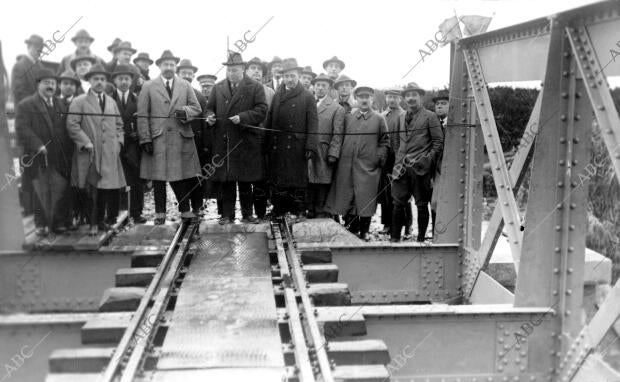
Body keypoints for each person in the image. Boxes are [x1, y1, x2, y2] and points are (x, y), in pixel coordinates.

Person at [138, 50, 203, 224]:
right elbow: (142, 114)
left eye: (172, 65)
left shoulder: (185, 85)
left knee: (180, 175)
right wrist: (145, 138)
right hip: (157, 138)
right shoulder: (148, 86)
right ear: (159, 66)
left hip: (180, 138)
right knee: (158, 177)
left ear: (175, 67)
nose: (169, 67)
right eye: (165, 64)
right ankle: (160, 213)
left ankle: (185, 210)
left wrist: (185, 112)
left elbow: (197, 108)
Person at [205, 52, 268, 224]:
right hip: (224, 142)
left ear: (243, 69)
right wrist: (209, 117)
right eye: (229, 70)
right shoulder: (218, 88)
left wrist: (244, 117)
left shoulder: (255, 87)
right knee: (227, 181)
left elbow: (262, 110)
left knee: (245, 180)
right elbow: (209, 109)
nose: (232, 73)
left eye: (236, 70)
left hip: (245, 141)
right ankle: (227, 214)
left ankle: (247, 214)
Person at [67, 64, 126, 235]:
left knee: (105, 190)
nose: (99, 82)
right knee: (90, 189)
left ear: (105, 81)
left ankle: (100, 221)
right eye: (95, 79)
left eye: (102, 79)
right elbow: (72, 125)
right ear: (89, 81)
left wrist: (118, 143)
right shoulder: (79, 102)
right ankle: (92, 223)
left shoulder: (111, 102)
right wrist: (85, 142)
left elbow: (119, 125)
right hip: (89, 154)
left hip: (109, 154)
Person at [325, 86, 388, 241]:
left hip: (368, 167)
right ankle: (352, 228)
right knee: (349, 196)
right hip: (347, 165)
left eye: (367, 97)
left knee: (365, 198)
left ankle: (365, 230)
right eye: (361, 97)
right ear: (357, 99)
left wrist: (377, 158)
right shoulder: (349, 117)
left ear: (372, 99)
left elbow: (384, 141)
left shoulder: (379, 119)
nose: (364, 100)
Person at [15, 69, 73, 236]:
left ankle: (58, 223)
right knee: (40, 189)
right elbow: (22, 129)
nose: (50, 86)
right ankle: (40, 224)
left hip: (59, 155)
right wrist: (38, 145)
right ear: (38, 84)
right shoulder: (26, 105)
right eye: (46, 83)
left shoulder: (60, 104)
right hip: (37, 155)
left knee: (59, 188)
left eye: (53, 83)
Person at [265, 58, 318, 221]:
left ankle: (298, 210)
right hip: (279, 144)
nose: (289, 79)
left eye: (293, 76)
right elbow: (271, 117)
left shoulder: (307, 96)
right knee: (280, 178)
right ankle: (279, 208)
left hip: (297, 145)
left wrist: (310, 146)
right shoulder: (278, 94)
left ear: (299, 76)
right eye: (287, 76)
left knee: (297, 179)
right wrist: (267, 141)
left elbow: (313, 123)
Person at [390, 82, 443, 242]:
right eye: (407, 95)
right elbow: (396, 142)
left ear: (420, 97)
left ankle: (420, 239)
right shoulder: (400, 118)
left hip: (421, 169)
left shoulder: (430, 116)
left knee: (421, 204)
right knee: (398, 203)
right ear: (404, 98)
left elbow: (438, 142)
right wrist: (399, 159)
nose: (411, 98)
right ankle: (394, 238)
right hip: (401, 168)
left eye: (414, 95)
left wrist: (425, 160)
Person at [110, 65, 146, 224]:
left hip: (133, 147)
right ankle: (117, 213)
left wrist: (137, 133)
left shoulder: (139, 100)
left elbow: (145, 121)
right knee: (114, 179)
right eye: (120, 79)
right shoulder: (108, 100)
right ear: (115, 81)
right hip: (114, 146)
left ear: (131, 81)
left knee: (136, 180)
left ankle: (136, 213)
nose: (124, 82)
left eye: (127, 79)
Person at [307, 73, 344, 218]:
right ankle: (309, 209)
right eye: (317, 85)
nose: (320, 88)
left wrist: (333, 153)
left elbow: (338, 133)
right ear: (313, 87)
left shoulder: (336, 108)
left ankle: (320, 209)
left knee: (323, 180)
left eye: (324, 86)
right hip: (309, 149)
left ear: (329, 88)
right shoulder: (309, 103)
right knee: (309, 179)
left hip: (324, 149)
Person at [177, 58, 208, 214]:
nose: (187, 76)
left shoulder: (199, 96)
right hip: (178, 141)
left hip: (196, 142)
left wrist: (205, 144)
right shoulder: (173, 95)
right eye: (184, 73)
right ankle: (184, 208)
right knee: (180, 176)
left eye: (190, 73)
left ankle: (197, 205)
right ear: (178, 74)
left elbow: (203, 119)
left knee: (196, 176)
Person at [245, 57, 274, 220]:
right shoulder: (241, 90)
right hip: (243, 141)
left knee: (262, 179)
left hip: (263, 142)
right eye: (253, 68)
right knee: (244, 180)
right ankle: (246, 213)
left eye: (259, 69)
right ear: (246, 71)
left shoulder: (269, 92)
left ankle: (261, 213)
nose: (256, 71)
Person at [379, 88, 412, 237]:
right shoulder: (382, 115)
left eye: (395, 97)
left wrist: (400, 160)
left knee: (402, 193)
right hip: (386, 157)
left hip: (399, 157)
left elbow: (404, 139)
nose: (392, 100)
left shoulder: (404, 114)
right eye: (389, 97)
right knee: (386, 192)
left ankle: (407, 225)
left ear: (400, 99)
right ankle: (387, 223)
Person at [430, 89, 449, 236]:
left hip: (447, 168)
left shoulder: (454, 124)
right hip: (433, 168)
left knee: (441, 201)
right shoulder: (432, 123)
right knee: (433, 202)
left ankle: (441, 235)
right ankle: (435, 234)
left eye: (443, 103)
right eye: (437, 104)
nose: (439, 106)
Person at [11, 34, 45, 106]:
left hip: (40, 111)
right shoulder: (19, 66)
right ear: (29, 47)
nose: (40, 50)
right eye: (36, 47)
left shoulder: (41, 67)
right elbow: (19, 92)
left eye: (41, 47)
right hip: (25, 111)